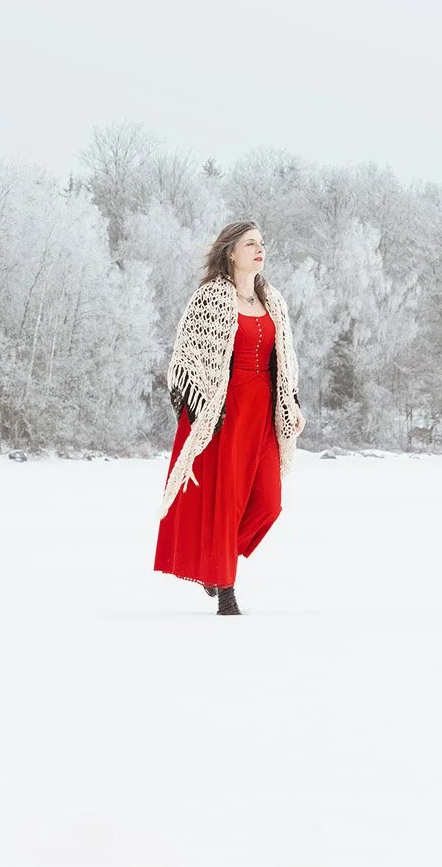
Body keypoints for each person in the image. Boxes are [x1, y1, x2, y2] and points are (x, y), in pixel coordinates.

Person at [153, 221, 304, 615]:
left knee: (269, 503)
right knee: (227, 502)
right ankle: (226, 593)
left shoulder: (273, 300)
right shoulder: (209, 299)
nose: (260, 249)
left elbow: (283, 361)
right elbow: (186, 357)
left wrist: (292, 403)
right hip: (226, 410)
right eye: (250, 243)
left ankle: (215, 565)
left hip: (263, 410)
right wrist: (201, 407)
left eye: (262, 244)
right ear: (231, 253)